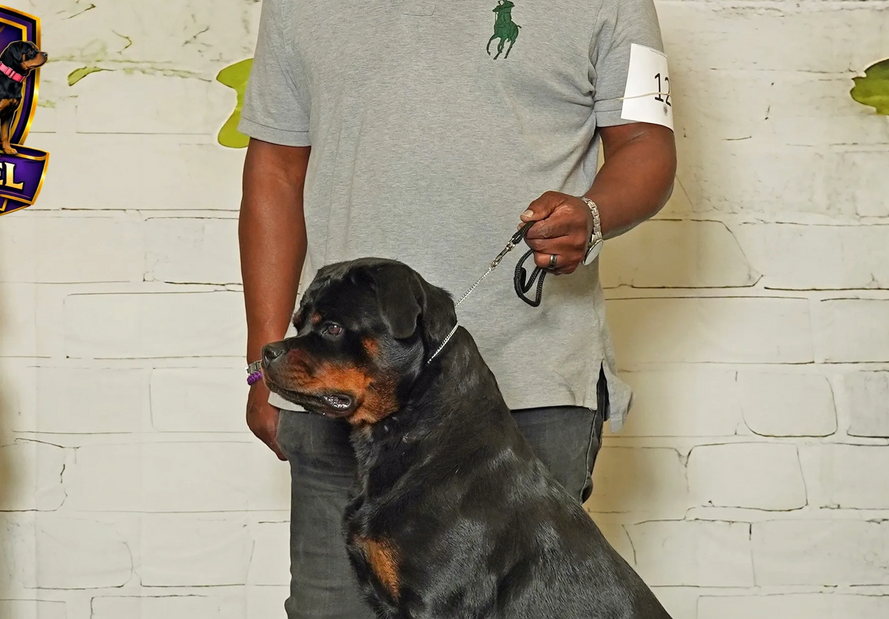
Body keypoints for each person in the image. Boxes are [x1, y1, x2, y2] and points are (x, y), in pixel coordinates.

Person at [237, 0, 677, 617]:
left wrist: (594, 213)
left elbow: (645, 143)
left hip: (534, 380)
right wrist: (262, 368)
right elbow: (276, 170)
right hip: (341, 383)